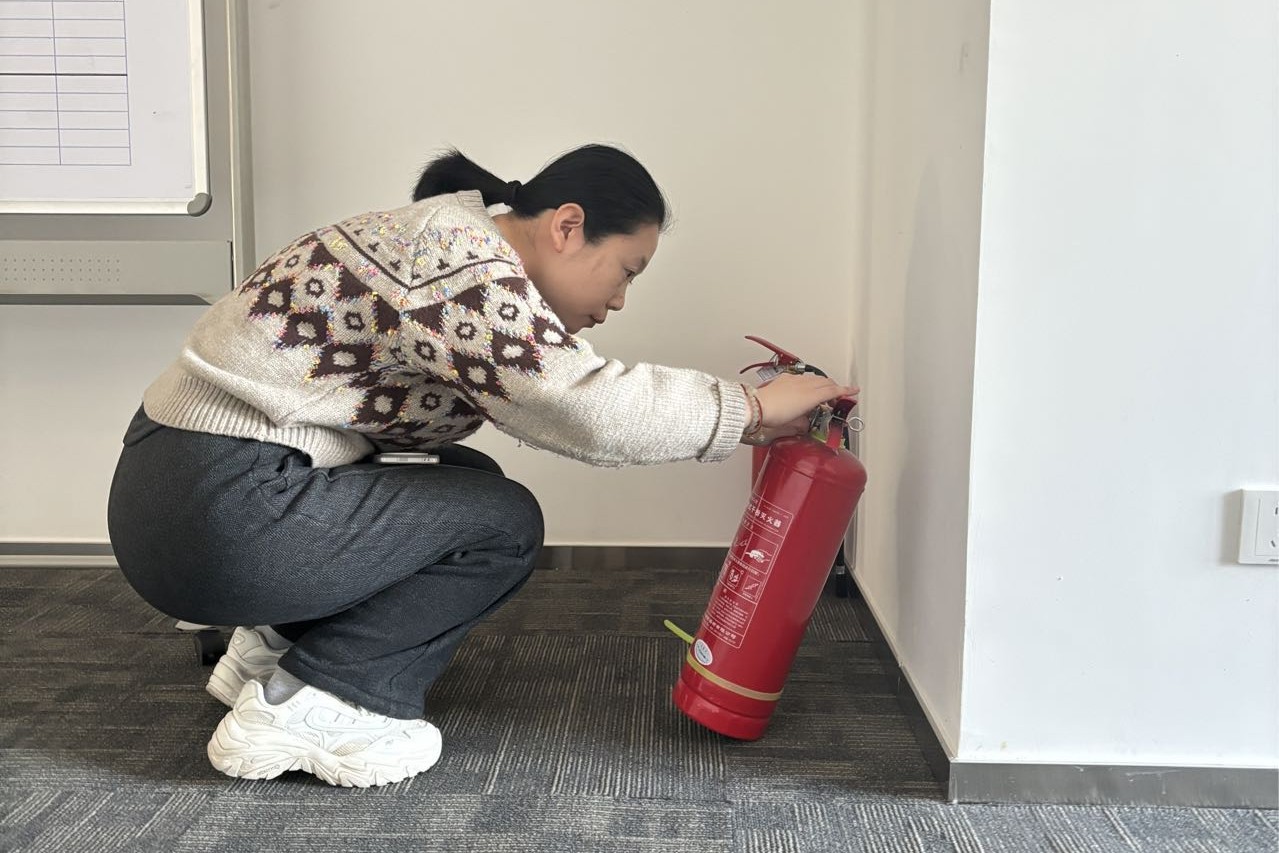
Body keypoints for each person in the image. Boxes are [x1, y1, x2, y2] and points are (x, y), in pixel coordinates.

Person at [106, 144, 858, 788]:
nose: (621, 299)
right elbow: (581, 406)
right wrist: (749, 409)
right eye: (626, 270)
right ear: (567, 226)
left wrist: (745, 418)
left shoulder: (454, 241)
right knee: (502, 525)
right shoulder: (459, 263)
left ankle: (274, 649)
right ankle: (319, 703)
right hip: (218, 512)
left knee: (466, 482)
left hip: (185, 492)